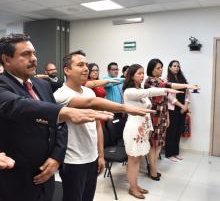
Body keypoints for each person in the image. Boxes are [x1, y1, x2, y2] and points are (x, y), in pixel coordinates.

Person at [0, 34, 114, 201]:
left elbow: (59, 126)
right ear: (6, 59)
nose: (33, 59)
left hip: (48, 172)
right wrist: (64, 112)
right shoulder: (3, 85)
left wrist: (56, 158)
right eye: (26, 54)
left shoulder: (42, 85)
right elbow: (19, 105)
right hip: (16, 176)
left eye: (34, 53)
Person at [54, 52, 153, 201]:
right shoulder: (60, 95)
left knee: (88, 197)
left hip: (92, 158)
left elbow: (97, 127)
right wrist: (125, 108)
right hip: (73, 161)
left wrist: (100, 156)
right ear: (67, 70)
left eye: (86, 64)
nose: (86, 68)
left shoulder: (88, 91)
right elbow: (90, 103)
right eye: (80, 65)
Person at [123, 64, 182, 199]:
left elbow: (147, 113)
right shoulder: (129, 91)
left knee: (137, 160)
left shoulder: (139, 89)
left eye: (143, 73)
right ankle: (132, 188)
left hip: (142, 129)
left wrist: (149, 128)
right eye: (139, 73)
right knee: (133, 160)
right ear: (131, 75)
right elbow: (150, 92)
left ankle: (135, 185)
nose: (142, 75)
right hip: (133, 129)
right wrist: (167, 89)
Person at [144, 58, 199, 181]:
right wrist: (187, 85)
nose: (160, 70)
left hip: (163, 114)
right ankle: (152, 169)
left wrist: (167, 116)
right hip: (154, 116)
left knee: (158, 144)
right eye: (158, 68)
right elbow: (169, 86)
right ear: (151, 69)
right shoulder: (150, 81)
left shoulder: (160, 80)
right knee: (153, 144)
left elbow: (164, 100)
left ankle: (153, 167)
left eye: (161, 67)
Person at [165, 60, 190, 161]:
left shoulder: (182, 79)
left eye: (178, 66)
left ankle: (176, 152)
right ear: (170, 67)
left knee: (179, 130)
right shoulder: (166, 79)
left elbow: (188, 93)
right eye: (174, 66)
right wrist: (181, 106)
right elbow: (169, 96)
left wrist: (186, 105)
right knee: (171, 131)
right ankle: (169, 153)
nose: (176, 68)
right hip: (173, 108)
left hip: (183, 108)